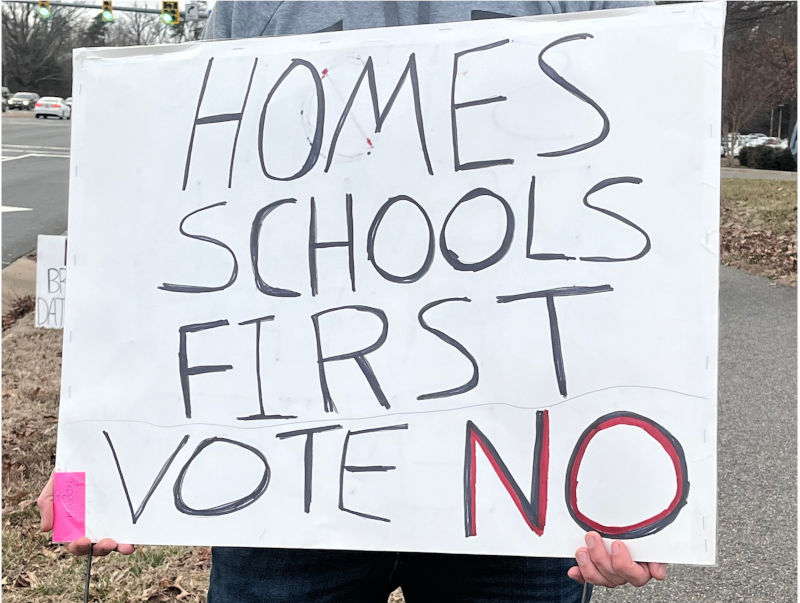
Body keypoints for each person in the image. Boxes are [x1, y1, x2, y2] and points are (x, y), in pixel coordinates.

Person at [39, 2, 670, 601]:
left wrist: (639, 497)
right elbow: (178, 222)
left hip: (514, 478)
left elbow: (641, 230)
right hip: (290, 478)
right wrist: (90, 470)